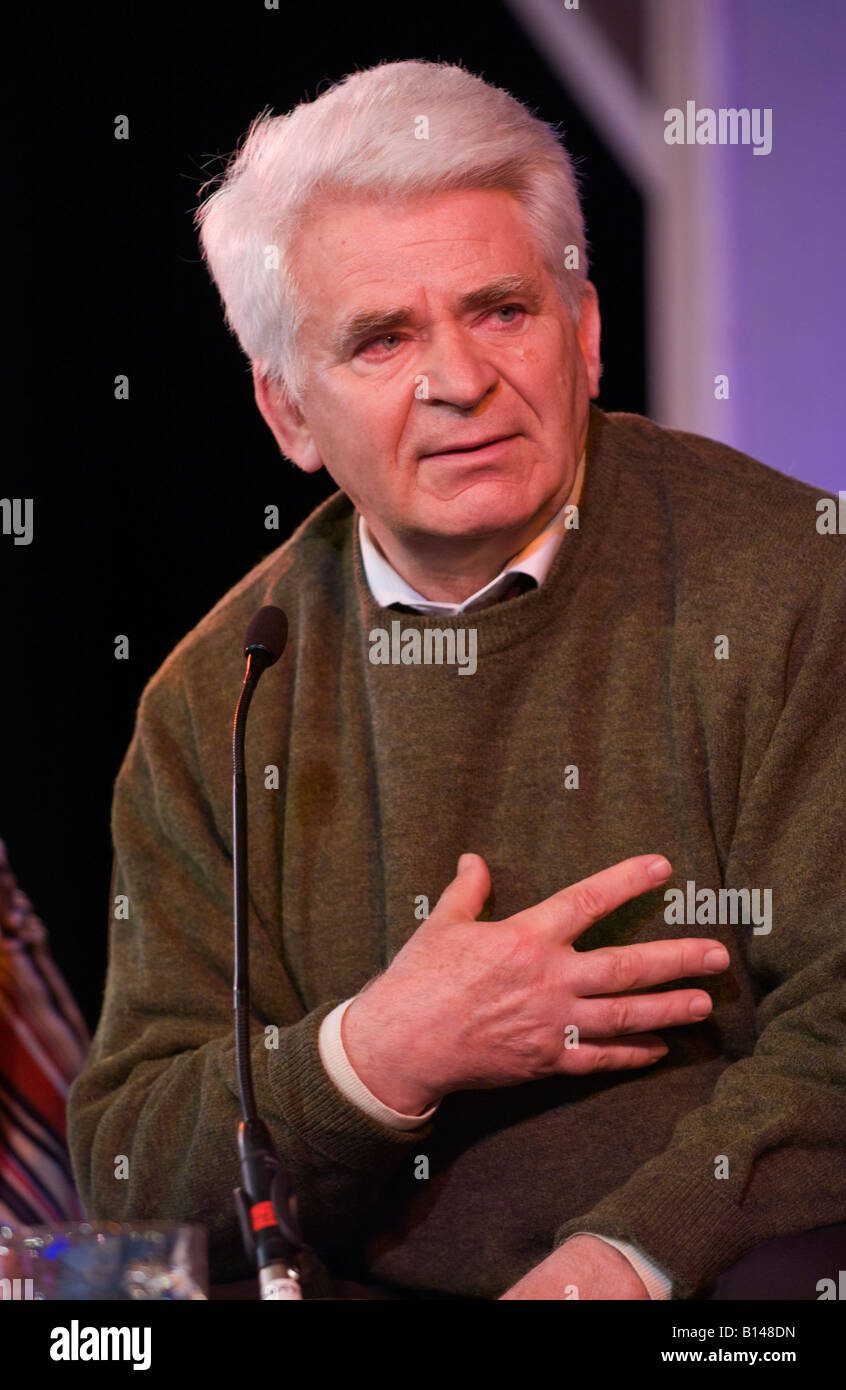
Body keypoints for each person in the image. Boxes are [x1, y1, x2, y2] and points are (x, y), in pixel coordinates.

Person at [67, 59, 846, 1300]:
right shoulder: (217, 695)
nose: (459, 382)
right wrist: (378, 1053)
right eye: (381, 339)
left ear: (584, 334)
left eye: (500, 311)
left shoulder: (798, 587)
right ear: (289, 416)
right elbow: (125, 1174)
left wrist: (631, 1257)